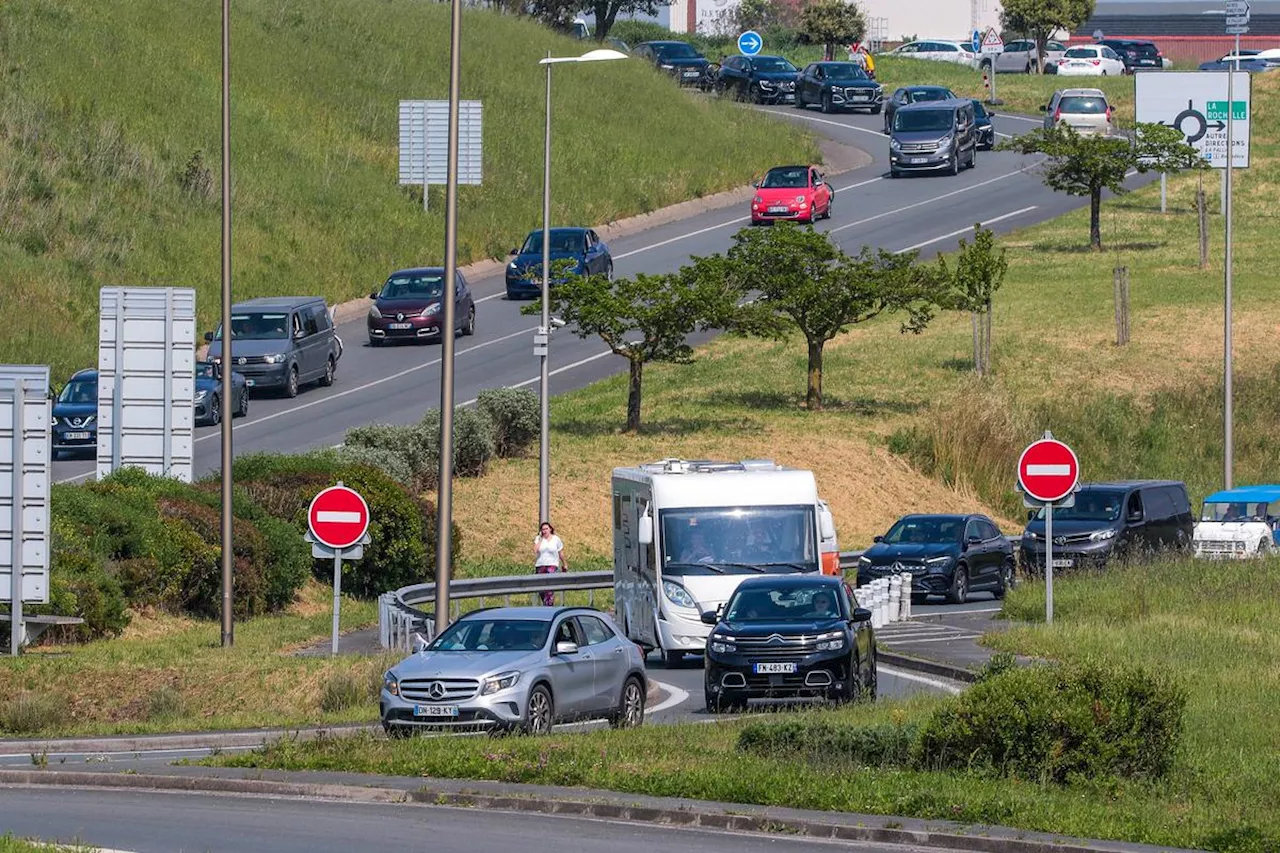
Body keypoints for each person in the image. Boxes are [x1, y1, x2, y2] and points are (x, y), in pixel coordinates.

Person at [533, 522, 566, 606]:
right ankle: (546, 604)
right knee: (541, 588)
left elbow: (560, 552)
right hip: (540, 565)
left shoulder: (556, 539)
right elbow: (535, 550)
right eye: (543, 529)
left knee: (549, 588)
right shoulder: (538, 538)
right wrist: (540, 539)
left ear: (550, 529)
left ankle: (548, 606)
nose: (544, 531)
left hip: (552, 565)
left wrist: (564, 563)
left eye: (546, 529)